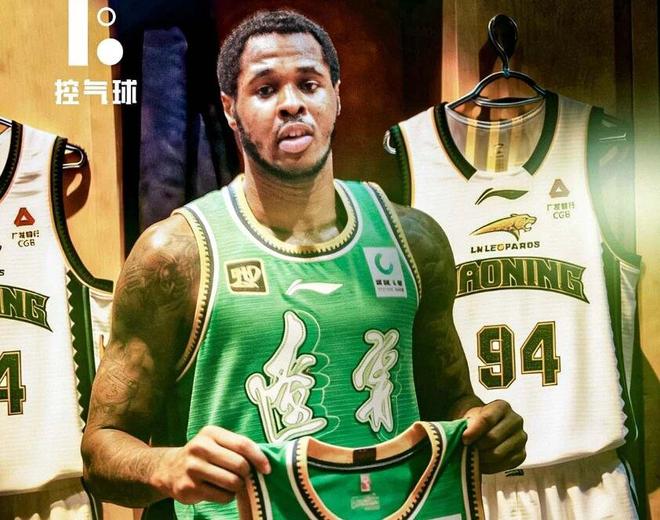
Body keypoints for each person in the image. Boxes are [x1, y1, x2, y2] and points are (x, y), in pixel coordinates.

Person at [81, 9, 527, 519]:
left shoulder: (414, 240)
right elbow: (100, 450)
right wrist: (166, 465)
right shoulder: (175, 254)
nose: (292, 103)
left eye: (309, 84)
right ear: (230, 109)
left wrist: (488, 428)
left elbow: (453, 401)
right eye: (265, 89)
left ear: (336, 96)